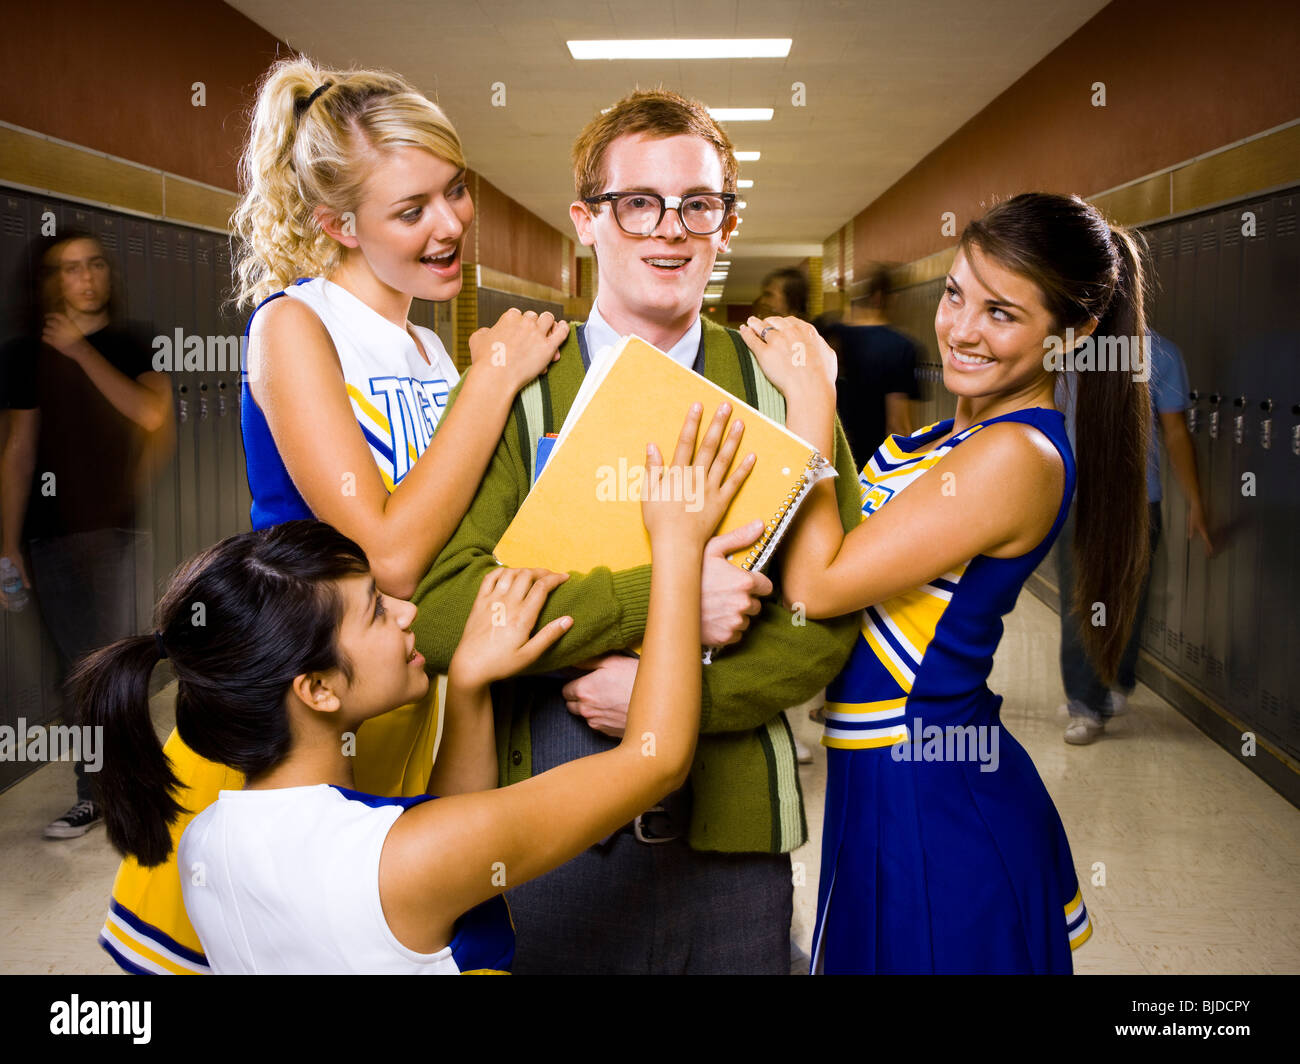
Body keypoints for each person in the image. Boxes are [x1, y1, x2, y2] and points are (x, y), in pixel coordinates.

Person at [99, 56, 567, 973]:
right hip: (296, 712)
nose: (450, 224)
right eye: (412, 209)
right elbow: (386, 552)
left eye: (454, 191)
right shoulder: (293, 326)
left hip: (396, 695)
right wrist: (495, 382)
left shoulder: (431, 348)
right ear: (334, 223)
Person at [411, 89, 864, 975]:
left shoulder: (783, 386)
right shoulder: (517, 388)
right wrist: (666, 602)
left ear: (726, 224)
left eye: (700, 203)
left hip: (732, 837)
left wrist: (663, 700)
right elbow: (442, 614)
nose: (671, 229)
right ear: (586, 220)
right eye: (638, 203)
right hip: (546, 829)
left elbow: (824, 622)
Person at [77, 406, 754, 973]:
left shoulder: (211, 840)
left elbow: (445, 845)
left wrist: (467, 687)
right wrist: (676, 552)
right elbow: (656, 758)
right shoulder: (404, 860)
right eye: (376, 610)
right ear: (315, 689)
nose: (407, 613)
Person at [742, 192, 1152, 973]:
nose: (961, 328)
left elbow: (820, 586)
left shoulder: (1016, 456)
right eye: (958, 292)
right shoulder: (940, 437)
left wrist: (811, 394)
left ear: (1073, 335)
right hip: (877, 773)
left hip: (930, 793)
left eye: (1002, 313)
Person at [0, 230, 173, 839]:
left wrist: (81, 352)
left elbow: (151, 413)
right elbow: (19, 452)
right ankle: (92, 792)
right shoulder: (24, 354)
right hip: (49, 539)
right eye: (70, 268)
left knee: (115, 667)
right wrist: (7, 541)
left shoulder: (132, 343)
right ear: (52, 282)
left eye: (96, 263)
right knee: (75, 672)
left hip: (115, 533)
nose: (86, 277)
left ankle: (132, 786)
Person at [1059, 328, 1212, 743]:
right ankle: (1086, 703)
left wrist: (1196, 500)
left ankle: (1112, 682)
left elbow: (1176, 430)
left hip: (1139, 500)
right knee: (1082, 600)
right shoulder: (1066, 347)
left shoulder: (1160, 353)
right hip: (1080, 498)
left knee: (1128, 598)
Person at [830, 264, 921, 466]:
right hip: (873, 461)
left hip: (832, 452)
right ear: (885, 297)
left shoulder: (834, 334)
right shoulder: (900, 346)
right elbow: (898, 423)